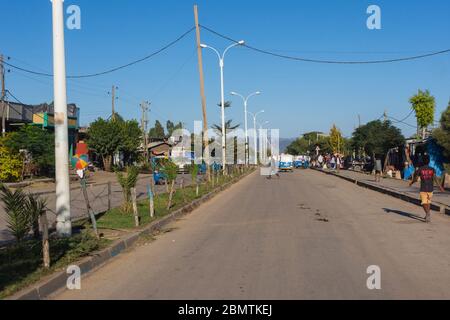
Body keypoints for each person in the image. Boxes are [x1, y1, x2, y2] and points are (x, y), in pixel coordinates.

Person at [409, 154, 445, 223]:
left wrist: (411, 182)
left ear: (423, 161)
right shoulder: (432, 169)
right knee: (427, 202)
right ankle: (427, 214)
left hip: (423, 188)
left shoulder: (420, 169)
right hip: (430, 189)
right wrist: (440, 187)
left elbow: (416, 179)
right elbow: (436, 179)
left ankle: (427, 214)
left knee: (423, 202)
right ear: (428, 161)